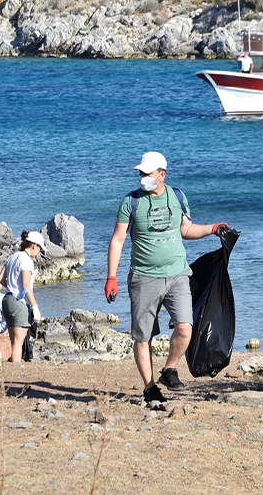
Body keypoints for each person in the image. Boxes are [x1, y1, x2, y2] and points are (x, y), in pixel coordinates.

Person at [105, 151, 230, 404]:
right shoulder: (130, 202)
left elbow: (186, 229)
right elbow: (118, 240)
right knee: (143, 337)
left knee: (185, 327)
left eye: (147, 173)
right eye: (140, 173)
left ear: (162, 175)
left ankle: (169, 369)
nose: (142, 177)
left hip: (177, 274)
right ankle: (149, 386)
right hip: (143, 278)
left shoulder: (177, 197)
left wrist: (213, 229)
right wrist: (111, 277)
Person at [0, 231, 45, 362]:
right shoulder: (27, 260)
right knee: (18, 343)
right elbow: (26, 285)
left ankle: (14, 367)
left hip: (7, 300)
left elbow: (0, 278)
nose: (40, 251)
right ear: (34, 245)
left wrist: (12, 286)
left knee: (13, 341)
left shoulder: (12, 257)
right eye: (40, 248)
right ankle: (16, 369)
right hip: (19, 303)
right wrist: (35, 307)